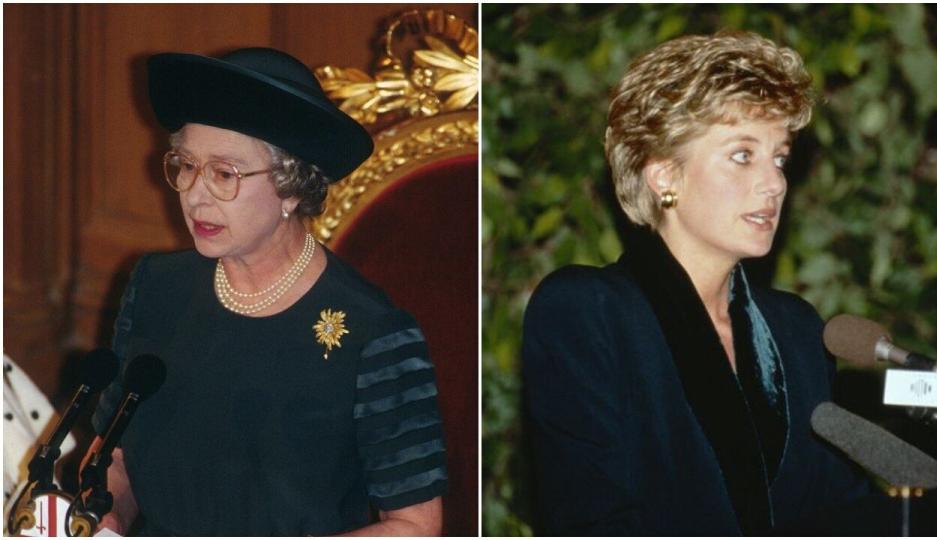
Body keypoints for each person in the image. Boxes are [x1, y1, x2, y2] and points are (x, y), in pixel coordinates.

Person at [81, 47, 447, 536]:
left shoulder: (373, 334)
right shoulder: (156, 287)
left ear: (292, 187)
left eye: (224, 174)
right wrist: (103, 518)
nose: (194, 194)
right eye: (186, 165)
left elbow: (415, 526)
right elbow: (114, 456)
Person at [522, 31, 870, 535]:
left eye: (779, 157)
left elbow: (844, 513)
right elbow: (591, 517)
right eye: (742, 155)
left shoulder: (796, 331)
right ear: (665, 178)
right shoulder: (587, 311)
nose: (774, 183)